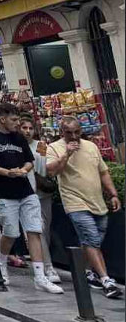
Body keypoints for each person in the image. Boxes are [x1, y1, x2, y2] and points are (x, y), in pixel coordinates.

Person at [0, 102, 63, 294]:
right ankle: (1, 263)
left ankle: (40, 277)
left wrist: (24, 170)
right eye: (14, 120)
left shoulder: (18, 137)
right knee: (11, 232)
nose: (18, 124)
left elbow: (29, 161)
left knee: (34, 230)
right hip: (3, 192)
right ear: (2, 119)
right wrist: (6, 172)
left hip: (26, 190)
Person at [46, 115, 123, 298]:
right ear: (61, 132)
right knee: (90, 239)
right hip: (75, 202)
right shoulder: (54, 148)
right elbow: (51, 171)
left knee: (93, 240)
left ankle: (87, 272)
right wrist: (67, 154)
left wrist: (113, 194)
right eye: (69, 133)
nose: (74, 136)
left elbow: (103, 172)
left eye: (77, 132)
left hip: (97, 201)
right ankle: (106, 280)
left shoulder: (91, 146)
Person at [19, 117, 61, 285]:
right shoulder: (15, 146)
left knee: (46, 230)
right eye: (24, 127)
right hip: (26, 194)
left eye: (30, 128)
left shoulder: (41, 145)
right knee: (38, 230)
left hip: (43, 193)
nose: (27, 131)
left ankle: (42, 259)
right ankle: (48, 267)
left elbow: (44, 168)